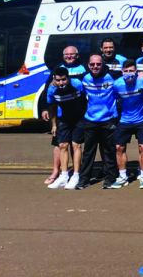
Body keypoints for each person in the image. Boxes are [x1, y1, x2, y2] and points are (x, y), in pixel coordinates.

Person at [41, 45, 86, 185]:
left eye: (72, 54)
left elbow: (87, 94)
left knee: (75, 145)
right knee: (60, 145)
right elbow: (48, 91)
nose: (69, 56)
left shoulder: (83, 70)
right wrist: (47, 113)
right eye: (67, 54)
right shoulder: (57, 69)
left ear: (77, 55)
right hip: (62, 117)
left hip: (78, 116)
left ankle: (76, 174)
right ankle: (58, 172)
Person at [76, 54, 118, 190]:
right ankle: (84, 180)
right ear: (88, 65)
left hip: (108, 120)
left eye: (98, 64)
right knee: (88, 152)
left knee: (109, 151)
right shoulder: (85, 78)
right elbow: (68, 83)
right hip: (90, 121)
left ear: (102, 64)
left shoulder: (112, 76)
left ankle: (110, 178)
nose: (95, 67)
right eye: (92, 64)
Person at [110, 60, 143, 189]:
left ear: (136, 71)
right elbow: (114, 98)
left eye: (131, 71)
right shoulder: (117, 84)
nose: (129, 74)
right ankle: (123, 177)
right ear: (122, 72)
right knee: (119, 148)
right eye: (126, 71)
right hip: (125, 120)